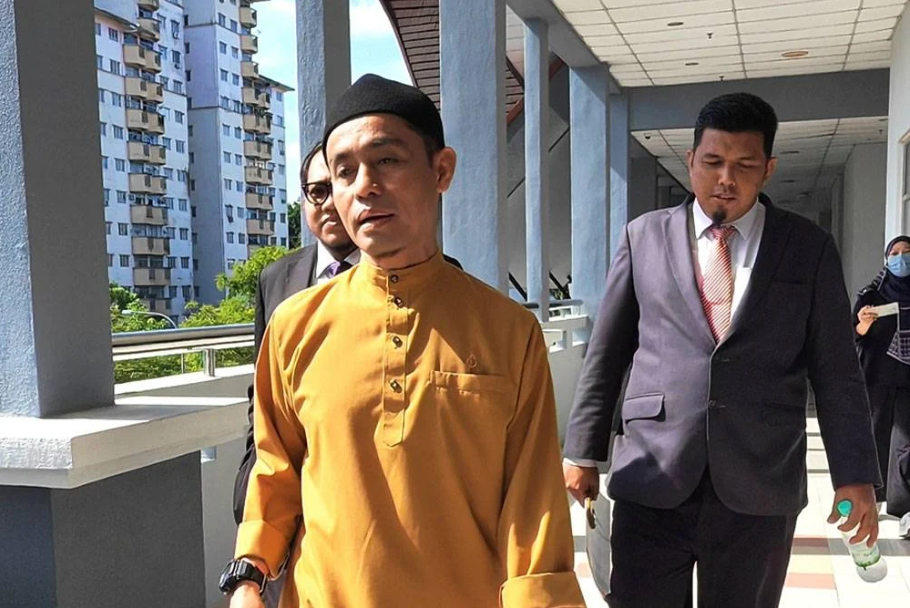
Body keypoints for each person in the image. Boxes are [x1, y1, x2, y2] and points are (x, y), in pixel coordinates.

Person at [223, 74, 584, 608]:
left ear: (441, 170)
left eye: (386, 160)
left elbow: (533, 506)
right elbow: (275, 471)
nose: (363, 186)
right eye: (344, 171)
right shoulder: (294, 326)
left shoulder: (508, 331)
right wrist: (248, 577)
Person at [563, 92, 881, 608]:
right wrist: (582, 450)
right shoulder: (644, 237)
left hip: (760, 476)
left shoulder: (808, 248)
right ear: (691, 160)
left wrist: (855, 475)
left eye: (744, 165)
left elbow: (837, 372)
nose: (725, 178)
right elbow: (608, 351)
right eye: (712, 162)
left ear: (768, 168)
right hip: (653, 469)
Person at [231, 142, 360, 607]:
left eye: (336, 185)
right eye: (315, 191)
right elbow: (262, 394)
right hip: (289, 490)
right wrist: (251, 476)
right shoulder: (277, 279)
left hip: (364, 495)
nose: (327, 202)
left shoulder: (421, 276)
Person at [854, 235, 910, 537]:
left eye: (907, 252)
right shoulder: (872, 295)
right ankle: (874, 499)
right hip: (877, 379)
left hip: (907, 384)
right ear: (886, 260)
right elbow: (853, 335)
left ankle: (904, 509)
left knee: (906, 446)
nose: (901, 258)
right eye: (895, 253)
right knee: (877, 440)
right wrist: (863, 324)